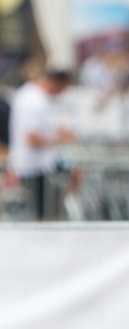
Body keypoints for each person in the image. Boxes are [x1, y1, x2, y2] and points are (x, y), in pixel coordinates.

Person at [7, 69, 77, 220]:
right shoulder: (34, 100)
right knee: (45, 214)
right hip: (33, 166)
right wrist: (59, 138)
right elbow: (32, 139)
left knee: (47, 210)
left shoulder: (32, 97)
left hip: (38, 164)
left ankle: (55, 209)